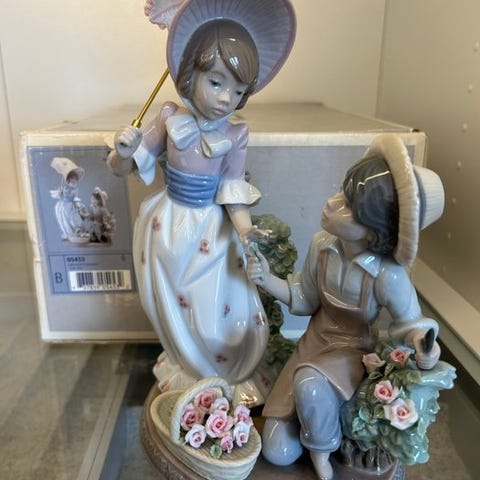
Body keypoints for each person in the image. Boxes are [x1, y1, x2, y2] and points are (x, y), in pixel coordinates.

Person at [107, 0, 296, 406]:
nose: (226, 98)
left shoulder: (236, 135)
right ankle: (186, 366)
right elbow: (127, 166)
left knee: (218, 312)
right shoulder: (169, 117)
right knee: (173, 306)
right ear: (190, 72)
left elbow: (232, 190)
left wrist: (245, 231)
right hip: (168, 229)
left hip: (212, 230)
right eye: (216, 82)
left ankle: (227, 372)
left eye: (238, 90)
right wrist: (123, 152)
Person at [247, 134, 445, 479]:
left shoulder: (387, 274)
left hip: (351, 352)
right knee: (278, 452)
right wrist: (266, 279)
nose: (331, 202)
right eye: (342, 190)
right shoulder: (322, 245)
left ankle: (323, 453)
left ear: (376, 230)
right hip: (313, 343)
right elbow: (305, 297)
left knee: (309, 383)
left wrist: (424, 347)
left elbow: (412, 325)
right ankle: (315, 423)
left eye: (349, 205)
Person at [50, 157, 90, 243]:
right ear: (68, 181)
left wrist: (78, 204)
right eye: (72, 181)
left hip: (71, 204)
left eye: (75, 181)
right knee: (64, 218)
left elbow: (74, 197)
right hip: (64, 205)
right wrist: (61, 192)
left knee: (74, 217)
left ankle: (76, 231)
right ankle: (68, 232)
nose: (74, 183)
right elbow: (62, 195)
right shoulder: (65, 188)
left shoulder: (74, 189)